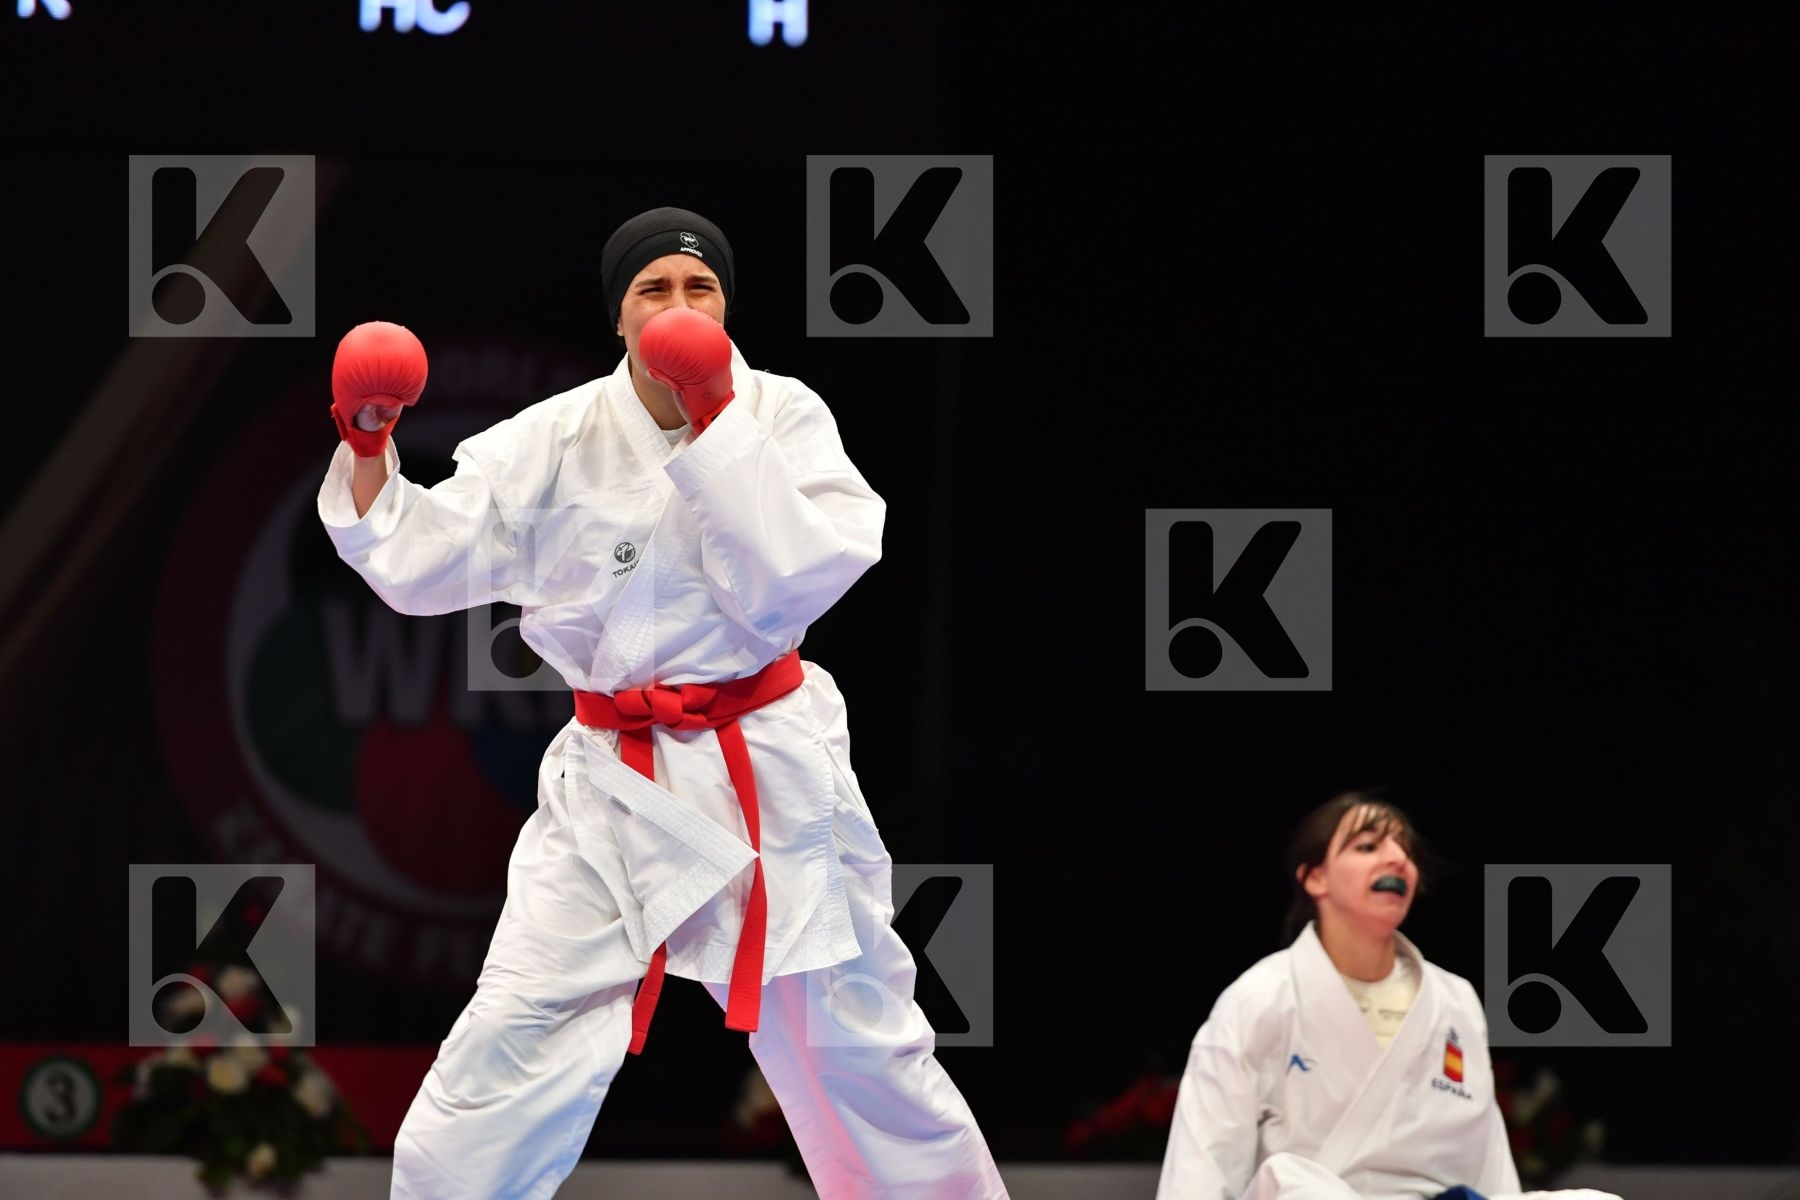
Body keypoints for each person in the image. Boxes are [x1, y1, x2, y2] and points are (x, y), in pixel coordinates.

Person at [318, 207, 1007, 1200]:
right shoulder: (555, 435)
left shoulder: (784, 414)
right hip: (611, 782)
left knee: (858, 1048)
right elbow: (424, 556)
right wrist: (372, 440)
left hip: (766, 762)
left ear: (725, 307)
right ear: (618, 317)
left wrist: (718, 416)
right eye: (654, 291)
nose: (679, 306)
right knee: (510, 1039)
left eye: (700, 290)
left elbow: (794, 578)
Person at [1155, 791, 1621, 1200]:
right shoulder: (1261, 998)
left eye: (1404, 848)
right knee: (1294, 1182)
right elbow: (1203, 1160)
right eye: (1368, 846)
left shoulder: (1453, 1000)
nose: (1398, 858)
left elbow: (1486, 1153)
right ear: (1315, 878)